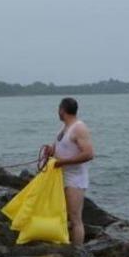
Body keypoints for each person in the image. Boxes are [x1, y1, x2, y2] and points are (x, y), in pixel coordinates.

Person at [41, 97, 95, 246]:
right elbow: (61, 149)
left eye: (58, 109)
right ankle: (64, 244)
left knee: (75, 218)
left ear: (62, 110)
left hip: (75, 180)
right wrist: (51, 151)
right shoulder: (64, 128)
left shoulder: (79, 128)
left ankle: (78, 253)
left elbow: (89, 154)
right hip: (61, 177)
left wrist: (62, 162)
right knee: (62, 215)